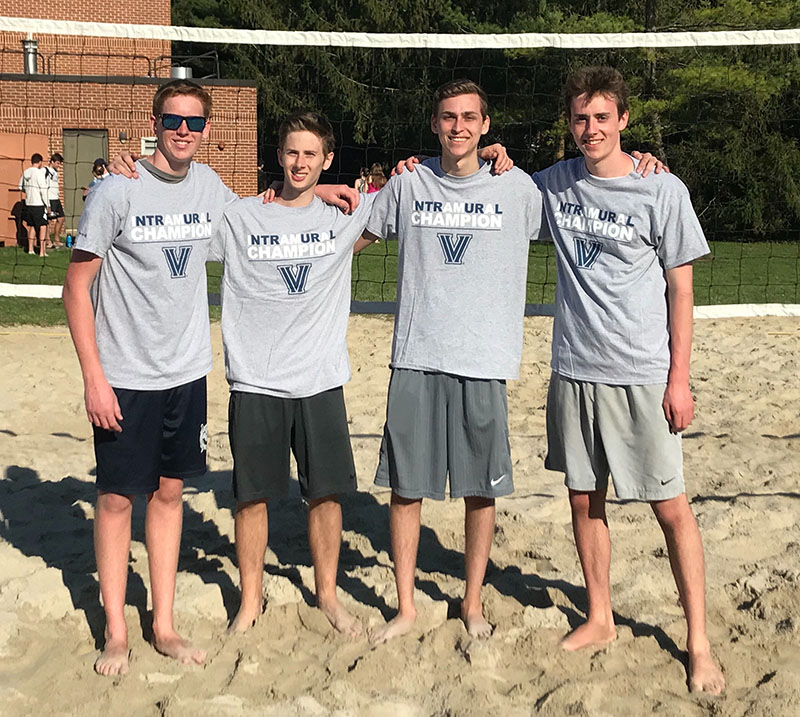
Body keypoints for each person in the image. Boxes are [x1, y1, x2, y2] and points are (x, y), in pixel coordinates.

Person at [533, 66, 725, 695]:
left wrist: (680, 379)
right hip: (574, 368)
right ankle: (600, 615)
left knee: (670, 507)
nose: (591, 129)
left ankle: (698, 641)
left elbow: (682, 289)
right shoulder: (554, 184)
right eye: (581, 118)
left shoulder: (661, 189)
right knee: (584, 497)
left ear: (623, 121)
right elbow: (486, 185)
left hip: (642, 373)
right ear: (570, 123)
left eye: (602, 118)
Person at [63, 79, 241, 677]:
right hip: (126, 375)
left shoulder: (211, 186)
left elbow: (266, 214)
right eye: (173, 121)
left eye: (194, 122)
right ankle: (116, 631)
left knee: (169, 494)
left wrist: (319, 186)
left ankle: (161, 624)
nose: (183, 131)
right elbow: (76, 288)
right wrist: (95, 378)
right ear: (155, 122)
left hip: (186, 373)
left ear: (207, 129)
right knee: (116, 499)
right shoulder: (117, 191)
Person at [362, 79, 543, 644]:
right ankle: (407, 606)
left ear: (486, 126)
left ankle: (471, 602)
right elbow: (349, 232)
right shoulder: (409, 182)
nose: (459, 126)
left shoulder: (516, 187)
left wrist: (643, 162)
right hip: (417, 355)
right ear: (435, 124)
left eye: (469, 117)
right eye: (448, 117)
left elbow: (590, 192)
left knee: (479, 488)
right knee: (406, 487)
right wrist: (295, 197)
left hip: (483, 358)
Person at [213, 111, 377, 637]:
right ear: (277, 155)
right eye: (291, 152)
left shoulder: (344, 216)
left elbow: (418, 184)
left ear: (327, 159)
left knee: (325, 494)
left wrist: (495, 156)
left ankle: (327, 595)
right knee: (251, 497)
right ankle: (250, 600)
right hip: (256, 381)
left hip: (319, 379)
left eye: (312, 154)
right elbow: (179, 213)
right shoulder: (242, 217)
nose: (300, 161)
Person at [18, 153, 49, 256]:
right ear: (40, 162)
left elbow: (20, 187)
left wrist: (28, 191)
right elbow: (43, 190)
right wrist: (47, 205)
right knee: (43, 226)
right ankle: (42, 251)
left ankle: (31, 249)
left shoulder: (25, 172)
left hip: (29, 203)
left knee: (31, 226)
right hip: (39, 204)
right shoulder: (39, 173)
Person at [45, 153, 65, 248]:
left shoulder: (55, 171)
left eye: (59, 163)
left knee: (61, 218)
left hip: (56, 198)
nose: (58, 165)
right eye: (57, 163)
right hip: (49, 198)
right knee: (48, 220)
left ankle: (56, 239)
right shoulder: (45, 171)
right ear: (52, 162)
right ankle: (48, 241)